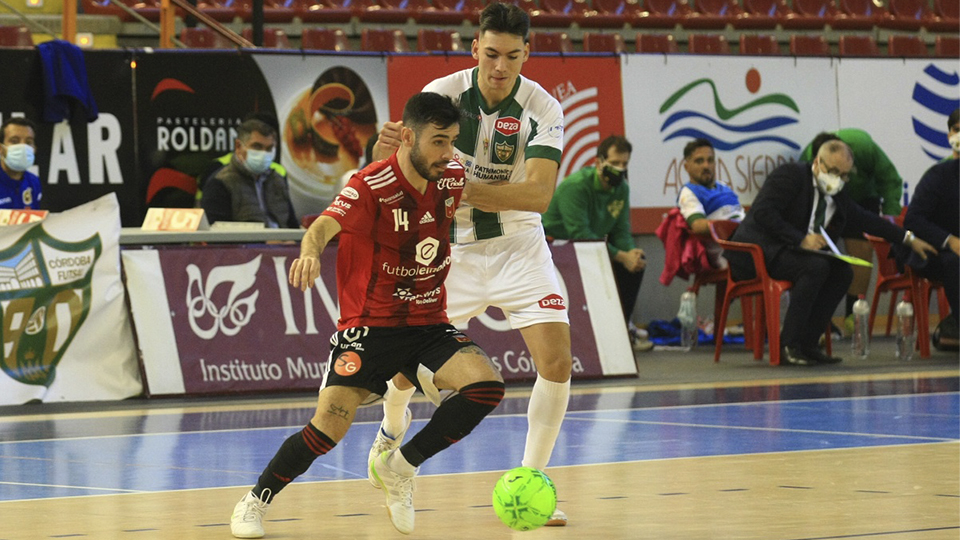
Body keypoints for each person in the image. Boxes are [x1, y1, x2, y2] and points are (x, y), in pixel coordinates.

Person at [229, 92, 505, 538]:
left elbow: (483, 197)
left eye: (453, 141)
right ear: (409, 137)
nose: (448, 153)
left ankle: (398, 467)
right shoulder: (371, 185)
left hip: (428, 322)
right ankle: (255, 499)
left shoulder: (451, 176)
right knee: (328, 427)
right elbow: (320, 227)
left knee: (486, 387)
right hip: (369, 327)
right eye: (438, 141)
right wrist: (310, 255)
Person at [369, 2, 571, 526]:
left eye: (511, 55)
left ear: (527, 53)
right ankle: (390, 433)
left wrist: (455, 184)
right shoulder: (443, 97)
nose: (499, 66)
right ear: (474, 48)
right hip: (451, 249)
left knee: (556, 362)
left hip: (519, 247)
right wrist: (385, 149)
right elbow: (399, 171)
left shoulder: (544, 109)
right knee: (405, 370)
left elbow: (538, 196)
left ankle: (530, 482)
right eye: (490, 54)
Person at [726, 140, 936, 366]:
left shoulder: (838, 195)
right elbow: (763, 214)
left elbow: (868, 220)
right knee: (815, 267)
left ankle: (808, 343)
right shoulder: (789, 176)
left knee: (842, 272)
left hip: (790, 253)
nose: (837, 179)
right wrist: (801, 239)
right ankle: (788, 345)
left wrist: (909, 239)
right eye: (833, 171)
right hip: (757, 251)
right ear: (817, 162)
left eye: (844, 175)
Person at [541, 135, 652, 351]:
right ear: (600, 162)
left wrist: (630, 253)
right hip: (559, 248)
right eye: (615, 163)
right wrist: (620, 255)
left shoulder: (622, 189)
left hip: (594, 247)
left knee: (636, 264)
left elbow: (621, 231)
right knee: (613, 259)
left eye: (625, 164)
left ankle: (621, 329)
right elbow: (580, 234)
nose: (620, 169)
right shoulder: (576, 187)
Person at [800, 129, 902, 335]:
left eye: (843, 170)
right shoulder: (806, 158)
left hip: (862, 200)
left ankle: (854, 313)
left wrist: (891, 219)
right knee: (818, 252)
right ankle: (819, 319)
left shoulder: (862, 145)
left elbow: (890, 180)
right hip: (825, 199)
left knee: (862, 248)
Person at [899, 158, 959, 349]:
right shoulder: (940, 175)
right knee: (955, 262)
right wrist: (949, 240)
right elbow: (913, 219)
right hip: (933, 250)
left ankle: (951, 331)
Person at [201, 118, 298, 228]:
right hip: (248, 244)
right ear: (238, 146)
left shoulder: (277, 180)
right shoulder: (220, 183)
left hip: (285, 243)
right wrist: (265, 243)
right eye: (257, 146)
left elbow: (292, 224)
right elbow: (217, 233)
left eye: (269, 148)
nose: (264, 153)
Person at [677, 138, 745, 267]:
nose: (706, 166)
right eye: (699, 161)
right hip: (728, 252)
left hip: (746, 241)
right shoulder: (689, 192)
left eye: (710, 160)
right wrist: (732, 226)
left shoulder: (724, 187)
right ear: (687, 166)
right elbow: (697, 225)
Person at [0, 117, 42, 210]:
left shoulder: (33, 182)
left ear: (34, 149)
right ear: (1, 149)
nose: (23, 147)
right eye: (14, 141)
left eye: (28, 142)